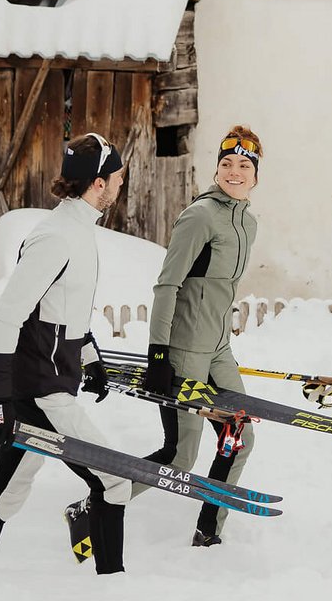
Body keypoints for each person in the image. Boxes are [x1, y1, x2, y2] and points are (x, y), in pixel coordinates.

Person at [0, 133, 131, 573]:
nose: (120, 183)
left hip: (47, 382)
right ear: (98, 183)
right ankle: (114, 587)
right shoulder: (56, 236)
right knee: (114, 483)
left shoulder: (76, 229)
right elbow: (8, 317)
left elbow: (61, 308)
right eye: (116, 176)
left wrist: (89, 358)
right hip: (41, 393)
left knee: (8, 491)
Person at [139, 125, 262, 547]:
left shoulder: (248, 222)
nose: (234, 171)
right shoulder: (200, 216)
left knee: (239, 438)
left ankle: (209, 530)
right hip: (183, 348)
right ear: (217, 169)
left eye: (244, 165)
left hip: (219, 349)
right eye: (226, 163)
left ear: (256, 176)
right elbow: (167, 285)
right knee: (181, 454)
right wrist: (158, 354)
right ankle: (101, 502)